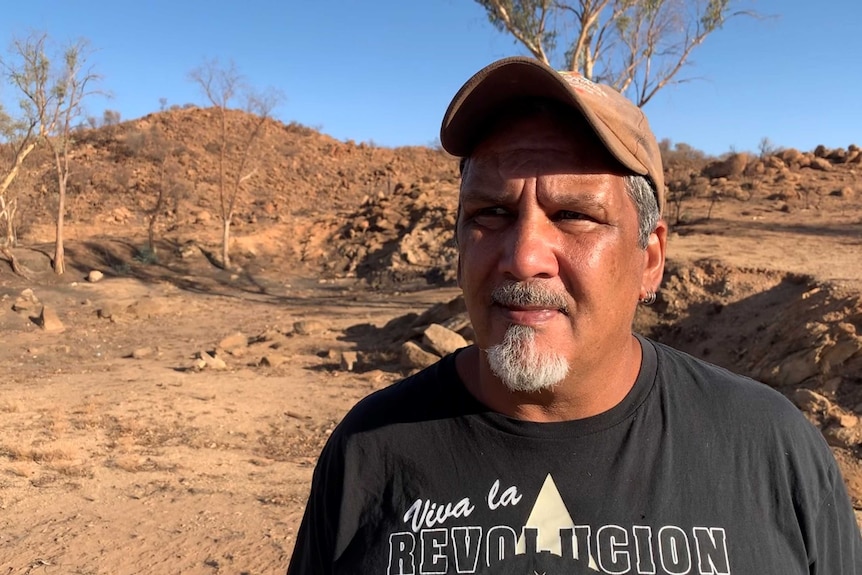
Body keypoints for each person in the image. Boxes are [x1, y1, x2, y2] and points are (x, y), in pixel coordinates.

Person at [286, 57, 861, 574]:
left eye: (574, 215)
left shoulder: (770, 446)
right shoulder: (368, 449)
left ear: (650, 260)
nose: (523, 258)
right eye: (490, 213)